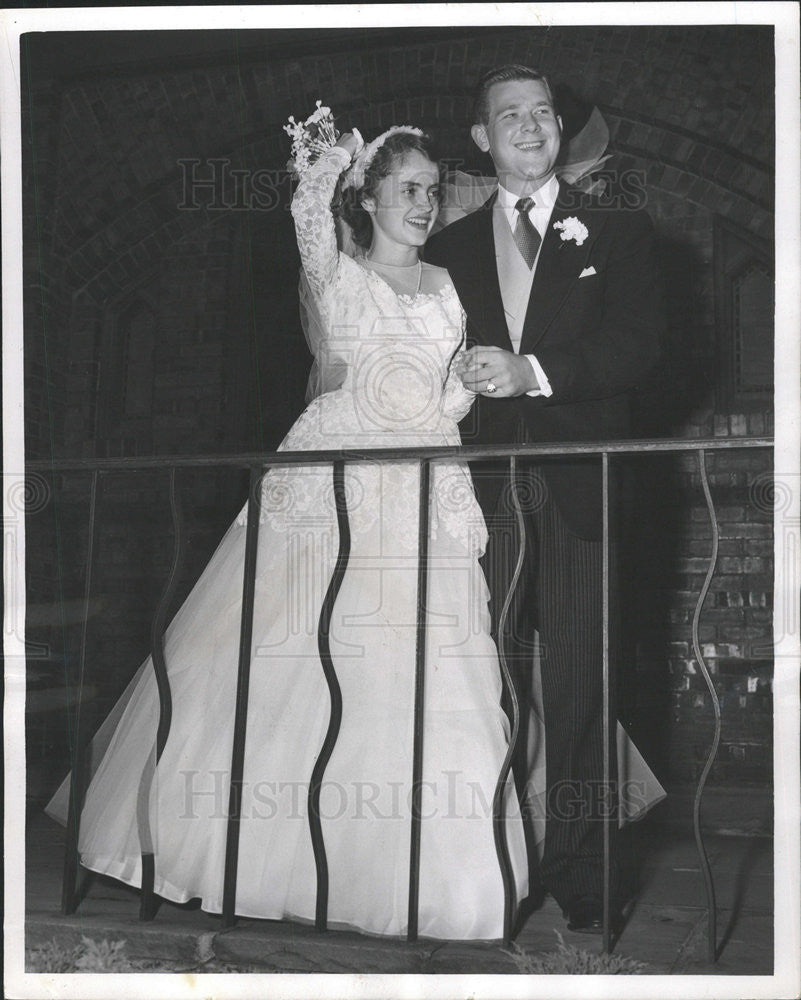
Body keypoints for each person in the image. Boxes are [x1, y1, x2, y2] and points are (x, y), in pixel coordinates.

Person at [46, 124, 530, 941]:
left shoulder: (447, 286)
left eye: (429, 191)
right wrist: (328, 162)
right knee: (292, 662)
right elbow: (307, 211)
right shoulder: (335, 273)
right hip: (331, 487)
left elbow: (440, 394)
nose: (421, 205)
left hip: (425, 483)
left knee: (421, 673)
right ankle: (245, 857)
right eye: (404, 189)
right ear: (369, 199)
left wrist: (468, 382)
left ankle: (416, 880)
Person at [426, 65, 665, 933]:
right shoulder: (445, 249)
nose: (529, 126)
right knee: (469, 681)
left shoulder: (618, 227)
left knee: (578, 689)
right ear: (482, 141)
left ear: (558, 131)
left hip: (581, 487)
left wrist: (533, 373)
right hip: (475, 494)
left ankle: (584, 878)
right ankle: (478, 865)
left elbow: (642, 345)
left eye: (542, 113)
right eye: (508, 116)